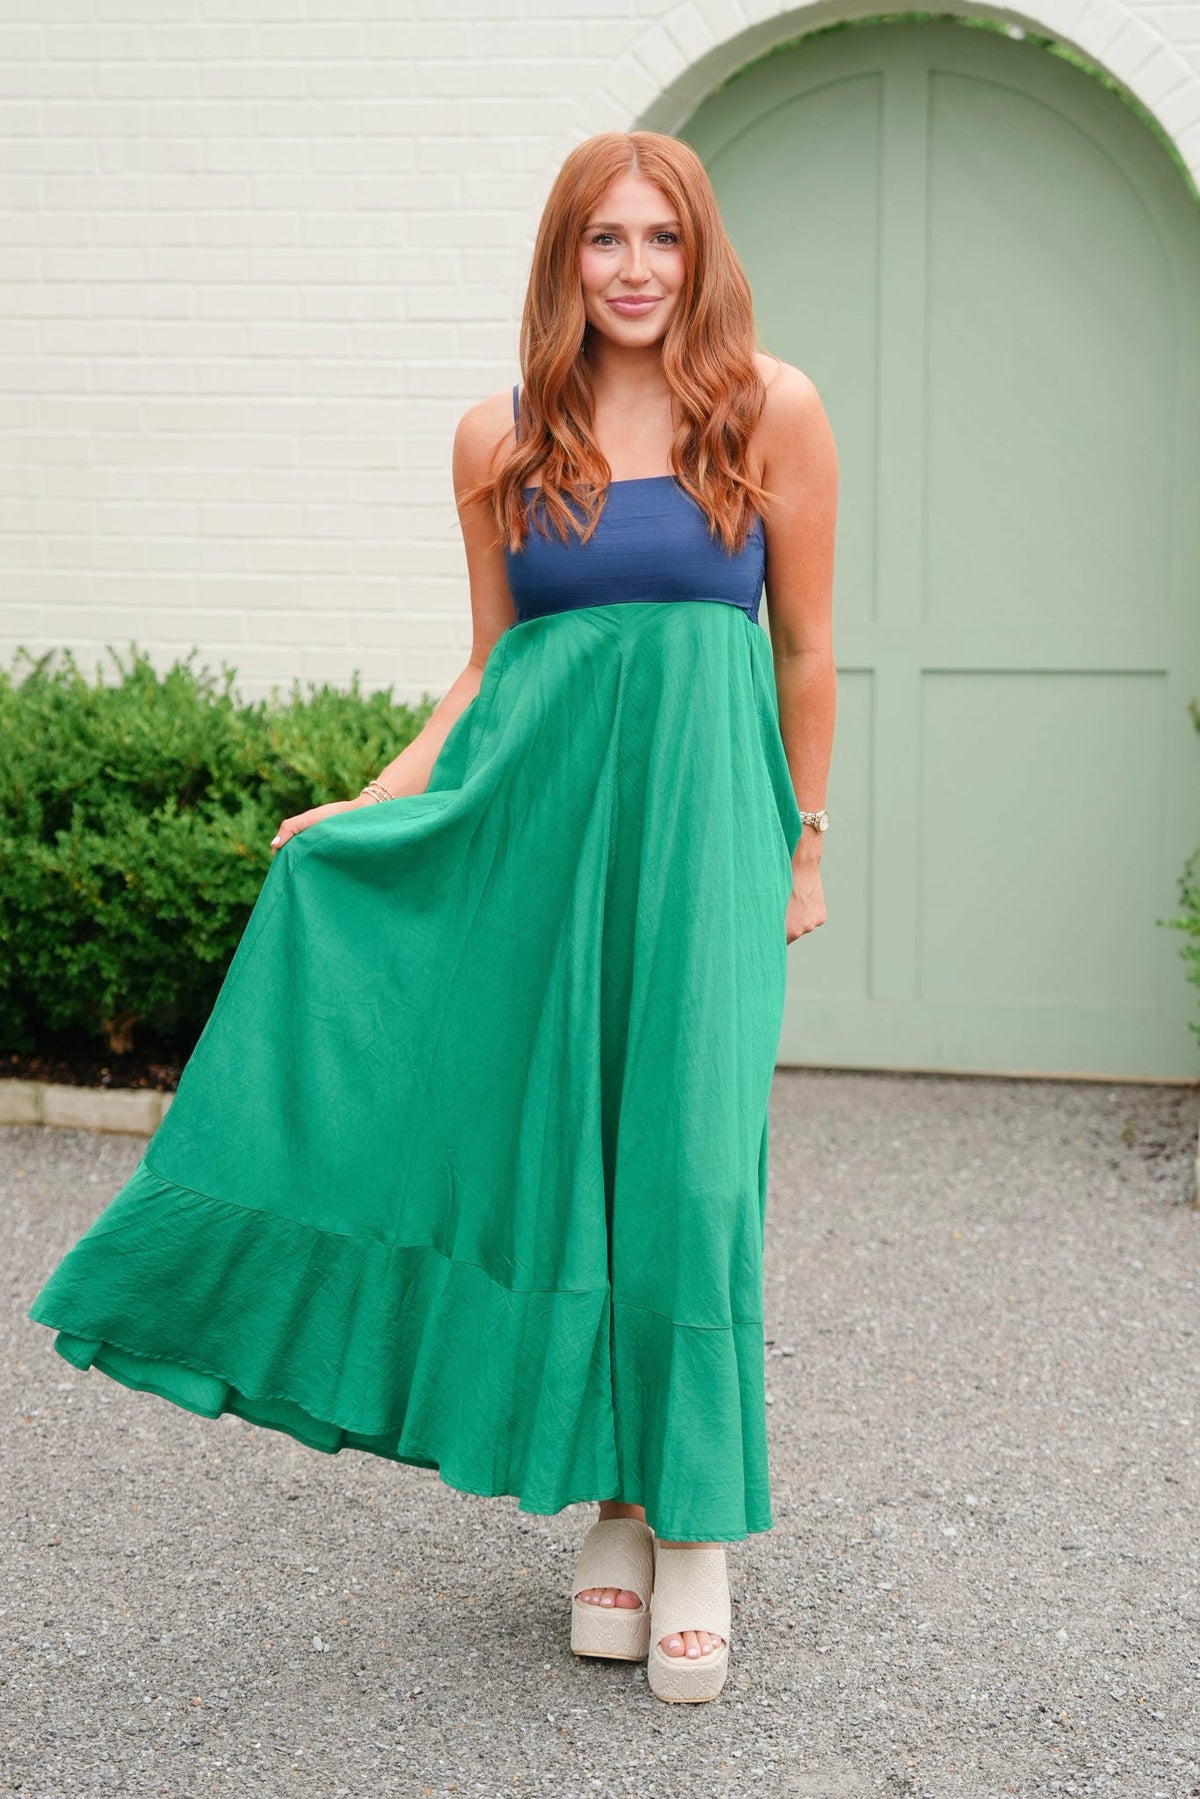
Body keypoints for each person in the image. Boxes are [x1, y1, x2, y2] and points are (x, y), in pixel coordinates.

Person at [26, 129, 837, 1705]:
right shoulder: (499, 437)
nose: (634, 269)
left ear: (700, 254)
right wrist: (373, 802)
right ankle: (615, 1506)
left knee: (687, 1171)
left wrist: (802, 842)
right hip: (536, 839)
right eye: (604, 239)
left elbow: (804, 647)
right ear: (563, 257)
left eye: (662, 238)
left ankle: (695, 1530)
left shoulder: (770, 410)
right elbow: (487, 666)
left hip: (706, 844)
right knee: (558, 1169)